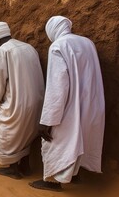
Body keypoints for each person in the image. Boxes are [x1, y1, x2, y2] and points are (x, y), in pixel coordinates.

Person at [30, 16, 105, 192]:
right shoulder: (88, 43)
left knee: (55, 142)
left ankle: (52, 182)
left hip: (69, 107)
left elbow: (58, 86)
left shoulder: (58, 46)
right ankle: (74, 174)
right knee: (80, 140)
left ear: (52, 30)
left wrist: (47, 120)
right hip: (91, 105)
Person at [0, 22, 45, 180]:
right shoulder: (28, 48)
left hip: (16, 103)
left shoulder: (2, 51)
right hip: (36, 103)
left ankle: (13, 169)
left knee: (4, 134)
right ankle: (25, 166)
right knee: (26, 135)